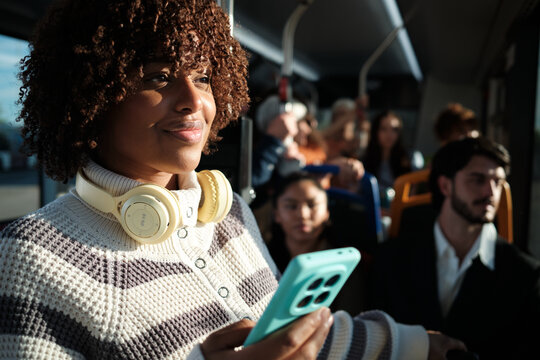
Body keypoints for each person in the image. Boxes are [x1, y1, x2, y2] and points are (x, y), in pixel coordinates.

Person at [0, 0, 465, 358]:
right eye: (159, 77)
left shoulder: (229, 215)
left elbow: (296, 334)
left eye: (202, 78)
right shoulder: (34, 255)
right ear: (92, 95)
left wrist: (414, 345)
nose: (192, 101)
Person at [369, 137, 540, 359]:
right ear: (445, 185)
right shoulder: (391, 259)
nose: (491, 192)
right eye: (477, 180)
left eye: (498, 182)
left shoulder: (525, 275)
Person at [268, 172, 367, 315]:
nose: (303, 214)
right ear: (276, 214)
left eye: (312, 205)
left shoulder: (344, 266)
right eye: (291, 206)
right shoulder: (263, 259)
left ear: (327, 212)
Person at [362, 110, 421, 209]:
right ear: (375, 131)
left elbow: (412, 195)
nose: (389, 134)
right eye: (383, 129)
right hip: (371, 212)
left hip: (398, 213)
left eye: (395, 129)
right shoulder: (365, 159)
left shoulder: (411, 158)